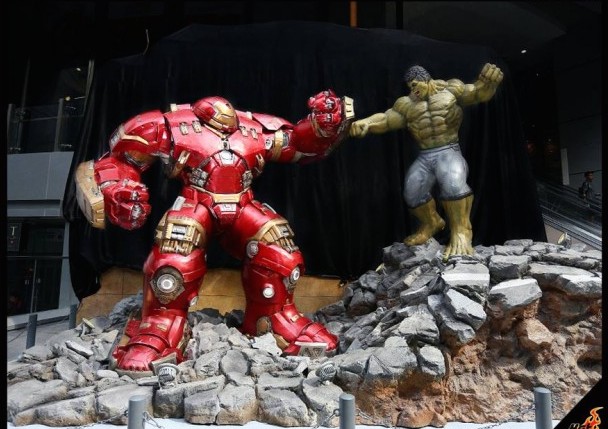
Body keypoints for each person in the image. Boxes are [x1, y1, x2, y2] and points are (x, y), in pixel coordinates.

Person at [75, 90, 354, 377]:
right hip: (196, 201)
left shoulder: (254, 127)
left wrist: (322, 125)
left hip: (242, 203)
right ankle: (161, 324)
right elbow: (119, 161)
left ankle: (273, 318)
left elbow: (297, 143)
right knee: (175, 256)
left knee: (279, 249)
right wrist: (120, 189)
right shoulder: (170, 124)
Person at [349, 63, 504, 260]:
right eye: (410, 86)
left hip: (448, 150)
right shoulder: (406, 104)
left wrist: (489, 84)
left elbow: (476, 93)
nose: (413, 90)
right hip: (425, 155)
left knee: (453, 184)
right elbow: (387, 120)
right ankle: (431, 223)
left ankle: (461, 232)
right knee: (412, 191)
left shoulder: (451, 89)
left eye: (415, 85)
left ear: (426, 79)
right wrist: (367, 122)